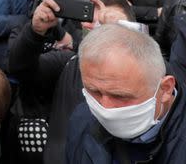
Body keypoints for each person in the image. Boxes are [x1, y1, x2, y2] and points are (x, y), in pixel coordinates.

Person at [9, 0, 137, 164]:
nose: (101, 27)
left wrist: (126, 37)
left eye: (111, 22)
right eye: (94, 21)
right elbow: (20, 69)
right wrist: (35, 32)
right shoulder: (69, 62)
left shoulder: (145, 69)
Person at [66, 24, 183, 164]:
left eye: (120, 96)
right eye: (94, 91)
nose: (105, 108)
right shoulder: (81, 120)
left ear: (165, 89)